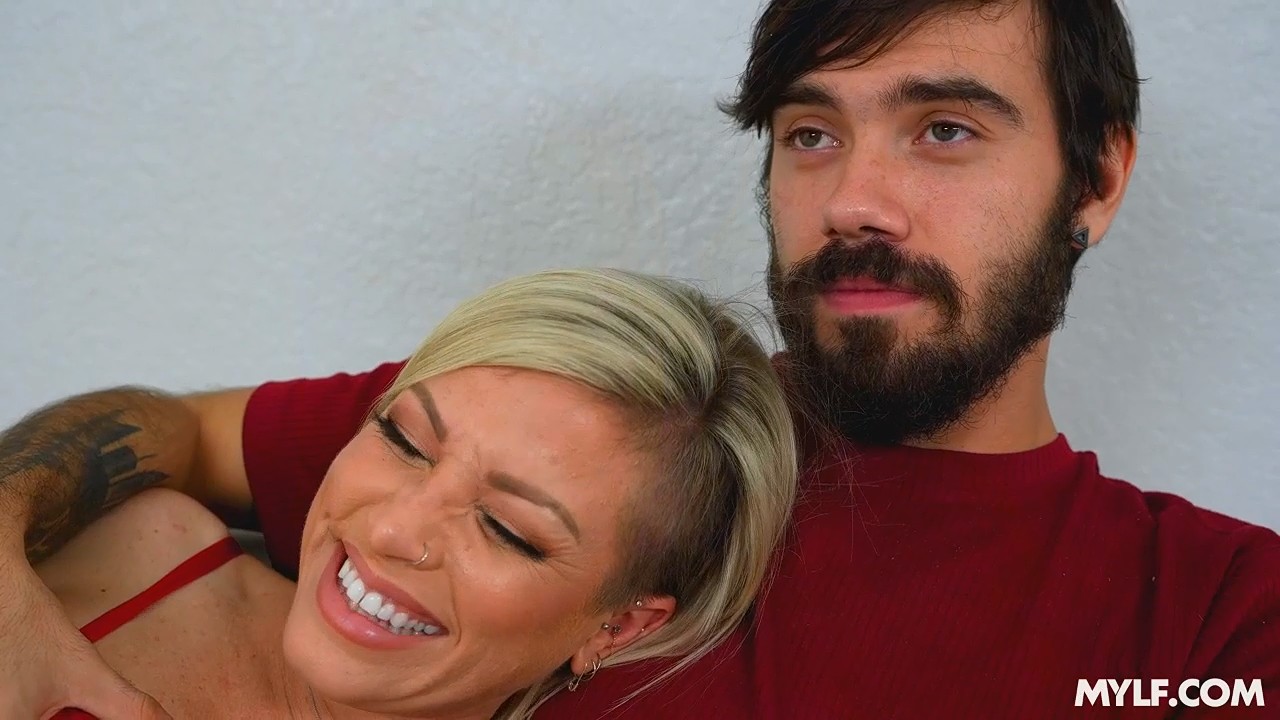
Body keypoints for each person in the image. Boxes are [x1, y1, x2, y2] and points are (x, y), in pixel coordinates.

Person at [2, 0, 1278, 718]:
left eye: (943, 130)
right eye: (809, 134)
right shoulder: (614, 421)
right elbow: (172, 430)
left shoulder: (1213, 617)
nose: (853, 201)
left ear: (1094, 177)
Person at [27, 268, 798, 719]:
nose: (396, 529)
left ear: (618, 626)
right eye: (403, 441)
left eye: (507, 528)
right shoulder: (142, 545)